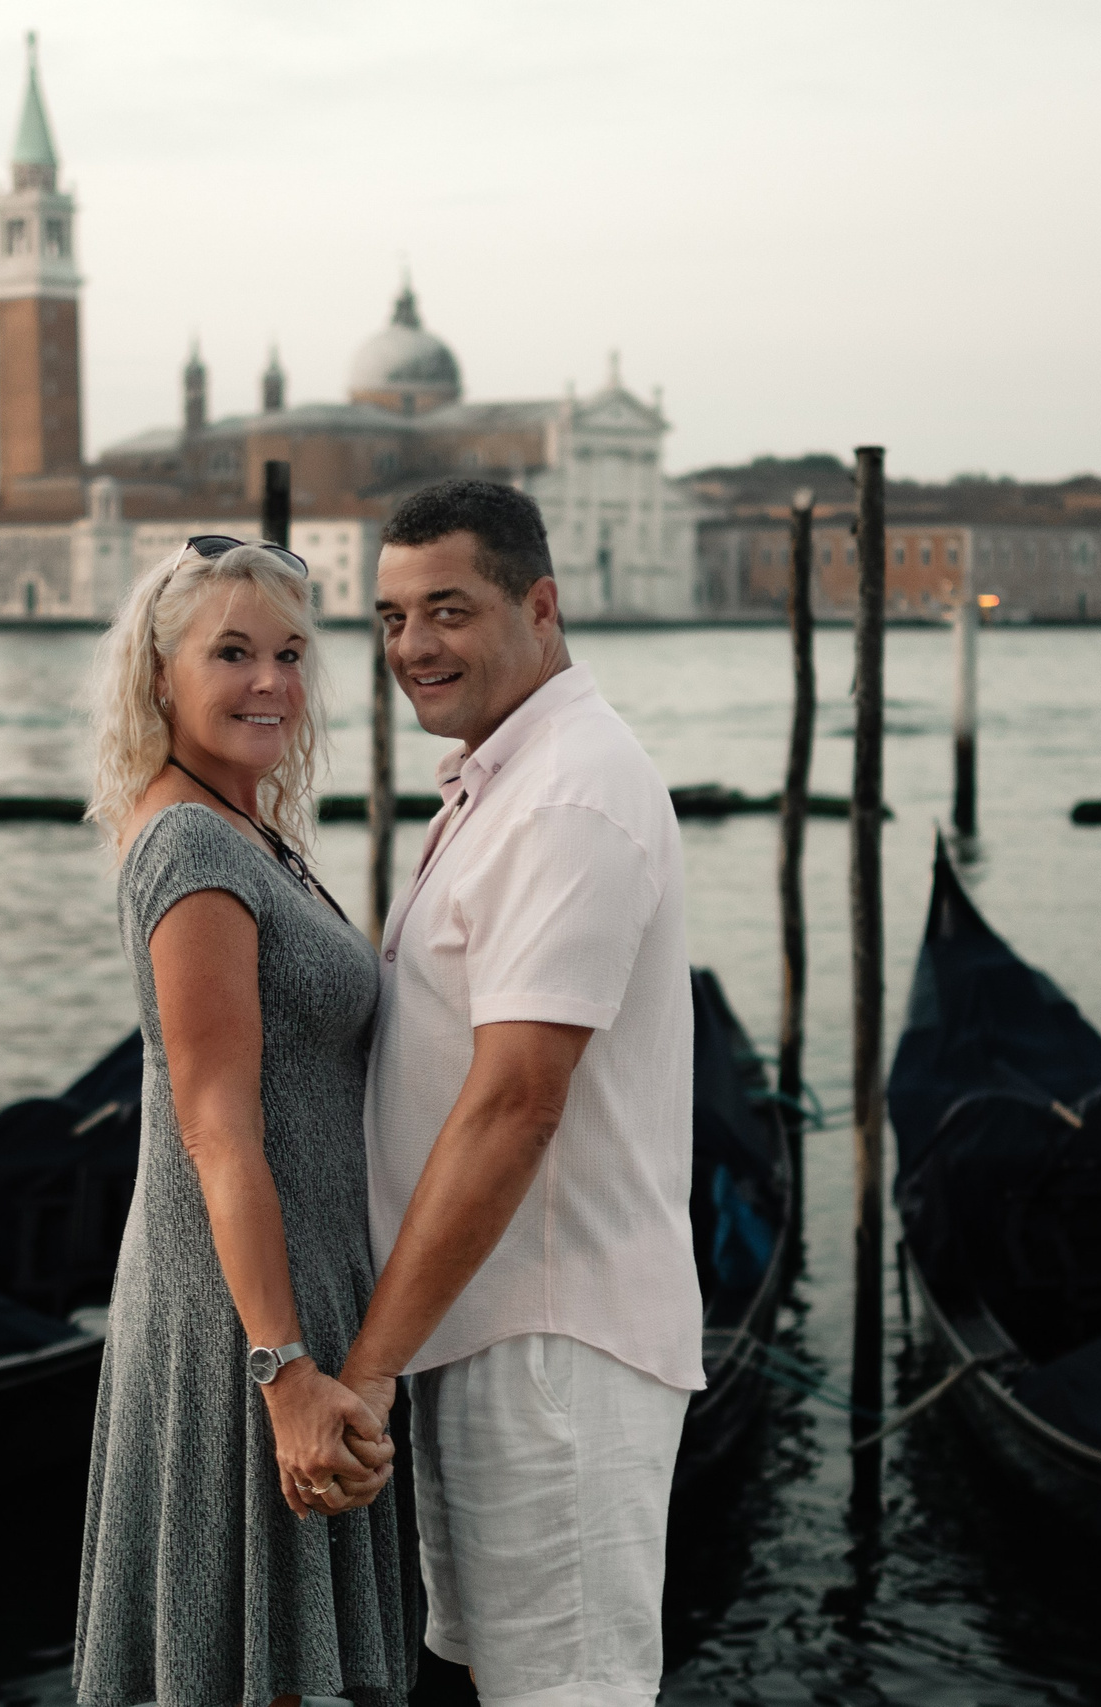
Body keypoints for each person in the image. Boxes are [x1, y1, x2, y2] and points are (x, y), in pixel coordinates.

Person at [339, 479, 704, 1707]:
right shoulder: (507, 777)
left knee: (566, 1694)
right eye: (389, 619)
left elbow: (514, 1106)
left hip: (551, 1345)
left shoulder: (564, 801)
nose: (412, 648)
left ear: (539, 607)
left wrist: (370, 1364)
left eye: (446, 611)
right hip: (486, 1329)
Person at [73, 537, 409, 1707]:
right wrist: (282, 1371)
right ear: (160, 676)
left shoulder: (245, 827)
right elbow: (215, 1124)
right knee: (255, 1676)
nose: (269, 680)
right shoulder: (190, 845)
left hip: (296, 1293)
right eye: (231, 654)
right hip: (242, 1323)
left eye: (289, 654)